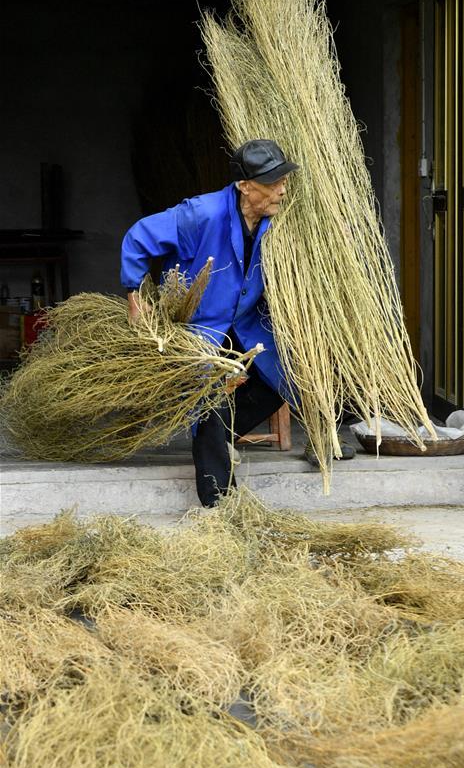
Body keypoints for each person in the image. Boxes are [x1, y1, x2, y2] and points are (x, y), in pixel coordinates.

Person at [121, 138, 353, 506]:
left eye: (283, 180)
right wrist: (135, 297)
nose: (282, 190)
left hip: (247, 322)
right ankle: (219, 502)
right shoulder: (202, 213)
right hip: (202, 326)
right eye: (272, 183)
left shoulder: (279, 221)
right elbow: (138, 237)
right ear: (245, 186)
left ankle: (222, 435)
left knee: (285, 377)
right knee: (207, 397)